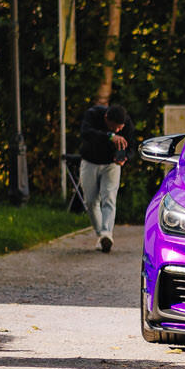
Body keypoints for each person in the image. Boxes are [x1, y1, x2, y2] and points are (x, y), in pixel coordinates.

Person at [77, 95, 130, 252]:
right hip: (90, 161)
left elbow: (132, 145)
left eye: (120, 128)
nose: (118, 130)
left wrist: (125, 157)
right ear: (106, 118)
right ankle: (101, 235)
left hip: (111, 165)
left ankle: (107, 234)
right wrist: (109, 136)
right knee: (90, 201)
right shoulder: (93, 114)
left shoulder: (127, 123)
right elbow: (85, 132)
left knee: (109, 197)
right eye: (114, 127)